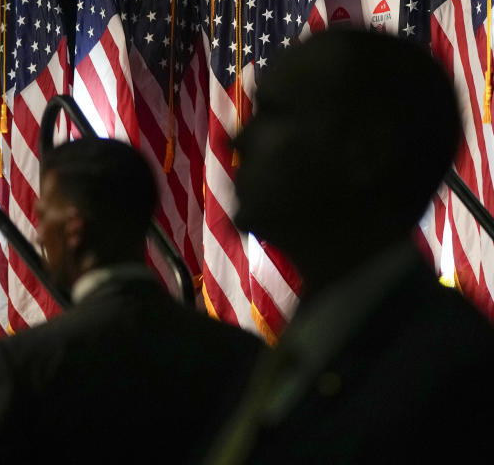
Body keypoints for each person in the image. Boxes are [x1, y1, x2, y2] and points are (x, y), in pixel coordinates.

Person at [207, 29, 494, 463]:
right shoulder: (300, 350)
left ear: (363, 152)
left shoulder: (448, 372)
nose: (235, 141)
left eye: (274, 113)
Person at [0, 138, 262, 464]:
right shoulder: (239, 354)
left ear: (74, 228)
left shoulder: (24, 364)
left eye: (43, 215)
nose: (37, 233)